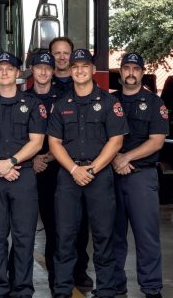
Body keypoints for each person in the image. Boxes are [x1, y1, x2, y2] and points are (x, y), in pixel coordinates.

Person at [48, 48, 128, 298]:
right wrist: (74, 169)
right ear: (69, 71)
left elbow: (116, 142)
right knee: (65, 236)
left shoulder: (109, 103)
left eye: (84, 66)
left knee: (103, 235)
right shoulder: (61, 105)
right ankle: (62, 290)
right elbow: (54, 142)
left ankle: (105, 290)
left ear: (93, 70)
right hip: (69, 177)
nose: (80, 70)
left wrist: (91, 169)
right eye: (75, 67)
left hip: (99, 175)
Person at [0, 52, 46, 298]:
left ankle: (23, 287)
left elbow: (37, 142)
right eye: (0, 69)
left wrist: (11, 162)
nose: (4, 72)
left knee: (24, 236)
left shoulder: (33, 104)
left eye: (9, 68)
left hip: (23, 175)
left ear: (17, 74)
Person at [112, 53, 167, 298]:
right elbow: (99, 138)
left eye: (136, 68)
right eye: (126, 68)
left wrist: (126, 157)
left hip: (142, 178)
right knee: (112, 234)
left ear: (142, 72)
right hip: (111, 175)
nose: (131, 73)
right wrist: (115, 159)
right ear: (121, 72)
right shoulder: (107, 101)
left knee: (146, 236)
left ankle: (151, 288)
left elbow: (156, 142)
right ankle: (115, 283)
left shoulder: (155, 103)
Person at [49, 36, 93, 289]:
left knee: (81, 223)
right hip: (46, 166)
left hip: (76, 167)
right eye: (57, 53)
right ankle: (58, 275)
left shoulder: (82, 84)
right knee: (57, 223)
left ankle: (80, 271)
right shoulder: (42, 83)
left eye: (66, 53)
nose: (62, 57)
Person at [28, 51, 61, 292]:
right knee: (22, 229)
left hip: (55, 172)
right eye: (38, 67)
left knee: (55, 227)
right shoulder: (21, 98)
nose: (42, 72)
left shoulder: (64, 99)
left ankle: (56, 281)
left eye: (47, 68)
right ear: (33, 70)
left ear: (53, 71)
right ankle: (19, 282)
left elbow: (69, 137)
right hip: (27, 172)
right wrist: (31, 162)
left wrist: (46, 158)